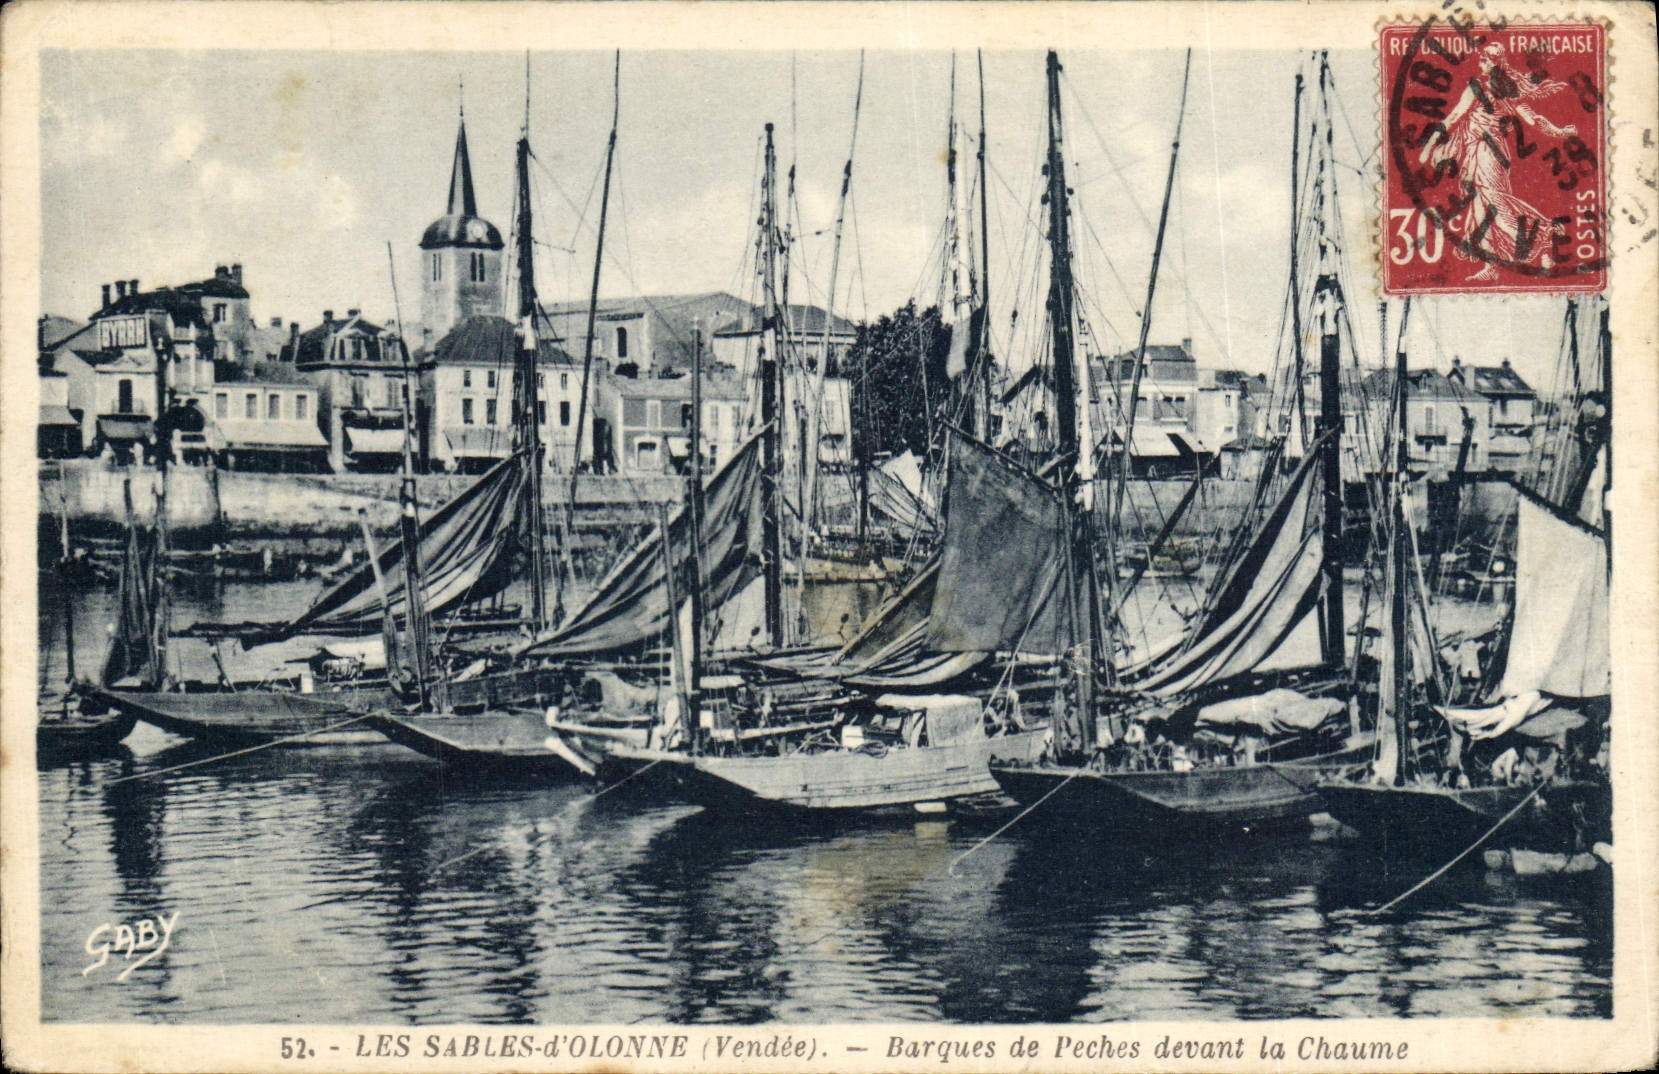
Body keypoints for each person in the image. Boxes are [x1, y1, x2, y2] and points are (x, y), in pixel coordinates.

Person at [1418, 42, 1579, 281]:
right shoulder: (1506, 91)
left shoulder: (1483, 88)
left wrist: (1429, 146)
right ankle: (1492, 264)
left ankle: (1545, 235)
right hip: (1480, 152)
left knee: (1495, 203)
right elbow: (1534, 119)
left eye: (1484, 60)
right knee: (1480, 205)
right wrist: (1559, 132)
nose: (1480, 64)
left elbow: (1454, 117)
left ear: (1494, 62)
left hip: (1487, 151)